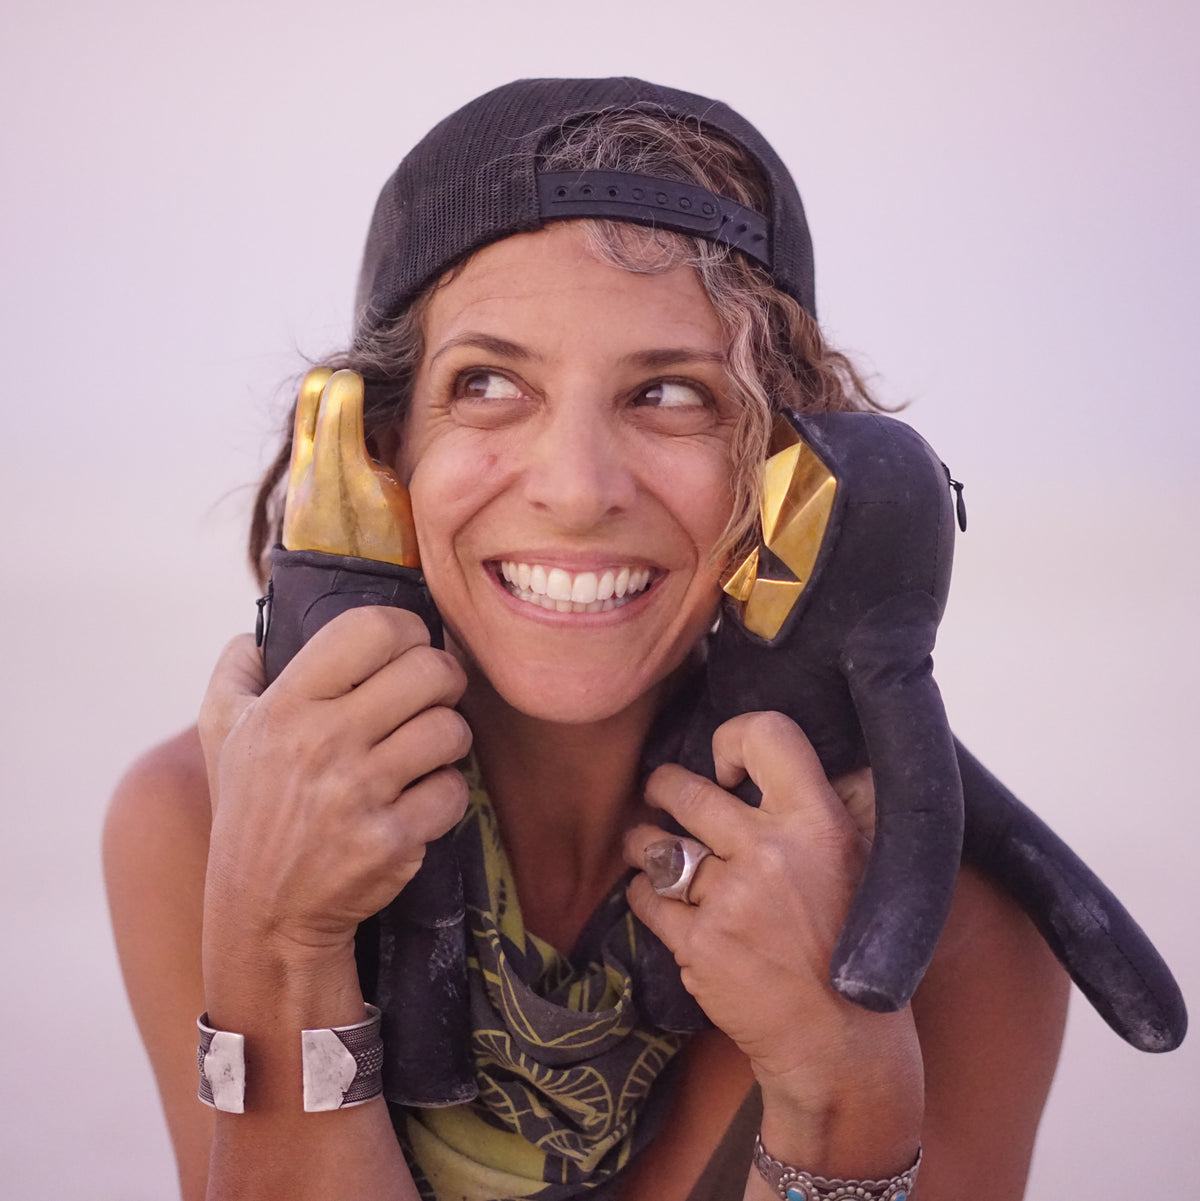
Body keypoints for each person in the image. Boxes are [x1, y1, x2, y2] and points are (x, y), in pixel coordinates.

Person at [103, 78, 1068, 1201]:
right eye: (489, 383)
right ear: (380, 445)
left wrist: (844, 1087)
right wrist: (278, 944)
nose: (576, 489)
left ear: (784, 470)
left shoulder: (943, 927)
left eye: (671, 394)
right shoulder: (206, 822)